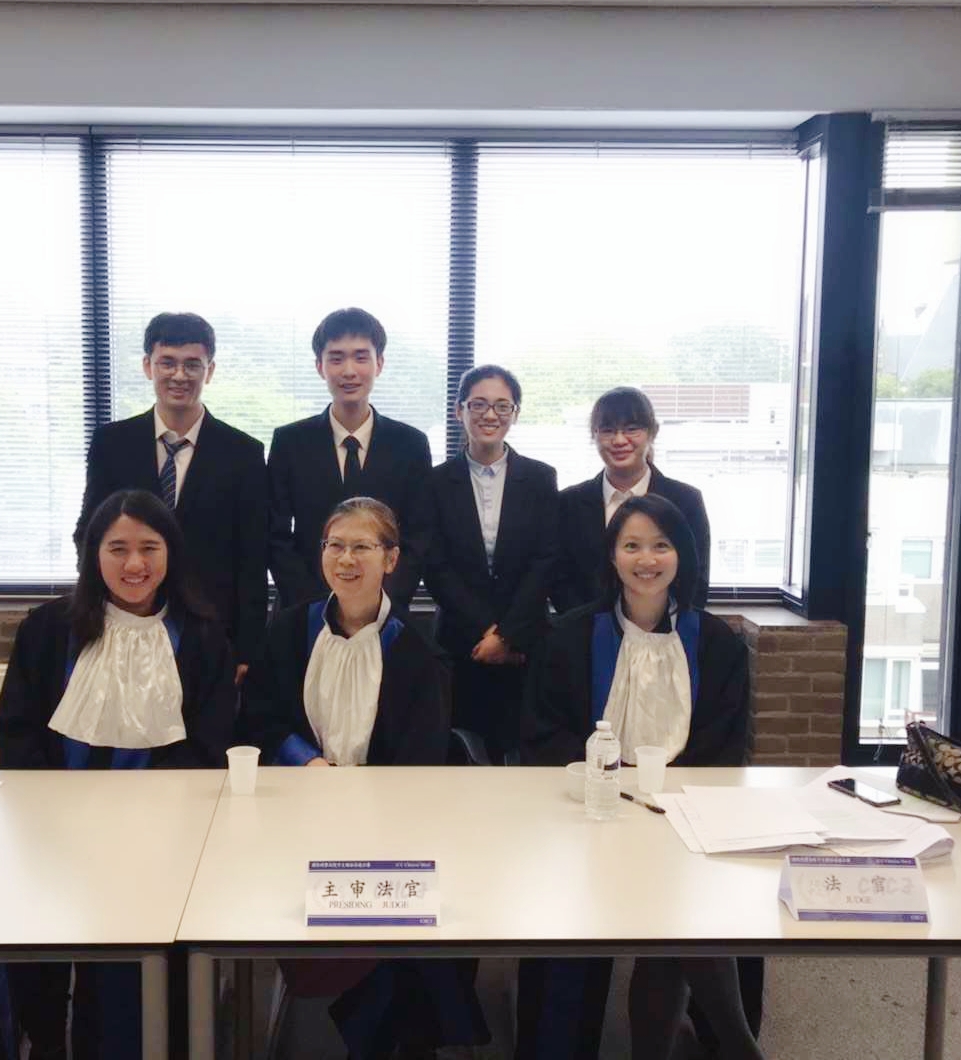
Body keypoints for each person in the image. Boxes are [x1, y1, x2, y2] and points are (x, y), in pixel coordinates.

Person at [0, 489, 236, 1060]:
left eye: (149, 547)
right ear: (93, 554)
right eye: (117, 548)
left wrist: (144, 816)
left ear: (171, 553)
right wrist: (57, 814)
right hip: (53, 831)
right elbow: (17, 730)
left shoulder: (201, 636)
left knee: (129, 980)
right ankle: (44, 1042)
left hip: (158, 839)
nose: (134, 564)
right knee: (36, 957)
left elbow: (209, 743)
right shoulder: (48, 630)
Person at [240, 497, 487, 1058]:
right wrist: (307, 761)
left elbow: (421, 764)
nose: (346, 559)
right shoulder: (290, 630)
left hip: (386, 827)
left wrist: (362, 807)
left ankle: (385, 1029)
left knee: (404, 926)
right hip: (296, 815)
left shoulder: (418, 652)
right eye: (335, 545)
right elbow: (259, 717)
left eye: (362, 547)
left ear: (391, 559)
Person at [518, 493, 761, 1060]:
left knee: (684, 911)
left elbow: (725, 747)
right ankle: (731, 1047)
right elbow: (543, 733)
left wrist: (667, 802)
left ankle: (703, 1043)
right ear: (612, 556)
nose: (646, 559)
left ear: (682, 555)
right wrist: (611, 783)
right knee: (672, 921)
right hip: (588, 816)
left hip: (685, 818)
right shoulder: (570, 636)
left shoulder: (717, 643)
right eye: (631, 545)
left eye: (661, 545)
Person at [75, 311, 267, 684]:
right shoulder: (111, 443)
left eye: (192, 364)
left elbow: (252, 555)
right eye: (168, 362)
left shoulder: (243, 452)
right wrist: (93, 612)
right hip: (125, 620)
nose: (179, 375)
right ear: (148, 366)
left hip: (211, 629)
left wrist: (248, 646)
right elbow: (89, 533)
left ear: (209, 371)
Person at [422, 365, 558, 762]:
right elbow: (435, 564)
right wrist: (486, 630)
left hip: (525, 643)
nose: (490, 415)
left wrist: (508, 635)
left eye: (502, 406)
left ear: (515, 413)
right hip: (461, 640)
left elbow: (546, 559)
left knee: (525, 755)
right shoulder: (434, 482)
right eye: (478, 404)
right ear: (459, 411)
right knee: (462, 756)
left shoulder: (540, 477)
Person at [266, 307, 432, 609]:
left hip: (385, 613)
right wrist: (316, 607)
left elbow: (418, 538)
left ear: (379, 363)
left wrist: (377, 605)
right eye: (337, 358)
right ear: (320, 366)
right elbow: (275, 535)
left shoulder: (410, 444)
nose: (349, 371)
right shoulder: (290, 442)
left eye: (361, 357)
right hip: (304, 611)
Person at [551, 386, 711, 612]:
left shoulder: (686, 500)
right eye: (607, 430)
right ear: (594, 435)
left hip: (668, 629)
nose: (619, 440)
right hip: (584, 629)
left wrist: (659, 625)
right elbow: (559, 579)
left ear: (653, 432)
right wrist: (589, 625)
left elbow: (695, 579)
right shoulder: (569, 503)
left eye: (632, 429)